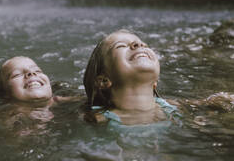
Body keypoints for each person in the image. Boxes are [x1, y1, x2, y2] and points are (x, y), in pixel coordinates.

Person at [83, 29, 234, 129]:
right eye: (121, 46)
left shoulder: (172, 106)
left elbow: (206, 103)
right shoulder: (99, 119)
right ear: (103, 81)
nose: (139, 44)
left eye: (144, 44)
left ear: (155, 82)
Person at [0, 56, 79, 136]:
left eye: (37, 71)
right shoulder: (6, 116)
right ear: (6, 93)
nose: (31, 73)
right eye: (17, 74)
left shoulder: (58, 100)